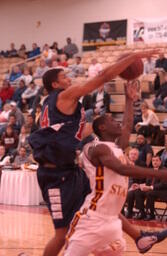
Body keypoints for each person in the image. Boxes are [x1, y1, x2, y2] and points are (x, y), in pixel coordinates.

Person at [28, 50, 161, 256]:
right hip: (54, 176)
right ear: (55, 85)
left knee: (101, 203)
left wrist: (127, 103)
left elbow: (94, 131)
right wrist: (136, 56)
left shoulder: (66, 112)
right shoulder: (63, 96)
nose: (69, 78)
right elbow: (102, 77)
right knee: (61, 234)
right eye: (64, 77)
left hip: (71, 171)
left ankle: (139, 237)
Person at [64, 112, 167, 256]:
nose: (118, 123)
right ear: (102, 127)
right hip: (91, 218)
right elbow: (121, 169)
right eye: (112, 120)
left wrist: (130, 101)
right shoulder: (96, 148)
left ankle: (139, 237)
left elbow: (126, 126)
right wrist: (162, 173)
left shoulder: (116, 149)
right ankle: (140, 237)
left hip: (112, 222)